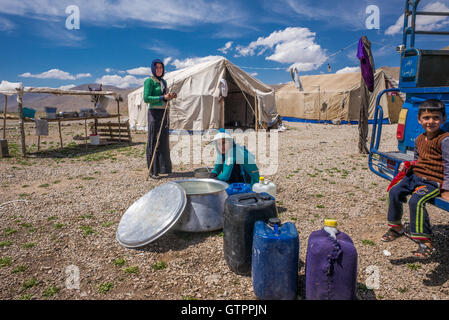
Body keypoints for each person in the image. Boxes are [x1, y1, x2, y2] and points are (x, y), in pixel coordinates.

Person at [381, 99, 449, 259]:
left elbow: (448, 164)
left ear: (443, 119)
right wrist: (409, 165)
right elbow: (418, 159)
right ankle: (396, 227)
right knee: (394, 191)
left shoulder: (445, 140)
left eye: (435, 117)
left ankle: (425, 242)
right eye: (426, 118)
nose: (430, 121)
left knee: (416, 201)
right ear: (419, 119)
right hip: (415, 176)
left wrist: (446, 189)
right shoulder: (419, 139)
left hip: (433, 180)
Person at [143, 59, 176, 179]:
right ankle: (153, 171)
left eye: (161, 68)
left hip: (164, 112)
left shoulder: (163, 81)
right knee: (153, 141)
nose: (159, 70)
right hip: (154, 113)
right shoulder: (149, 81)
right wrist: (163, 97)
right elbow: (146, 98)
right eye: (156, 68)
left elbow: (164, 97)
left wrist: (170, 96)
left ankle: (163, 168)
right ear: (153, 69)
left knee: (163, 141)